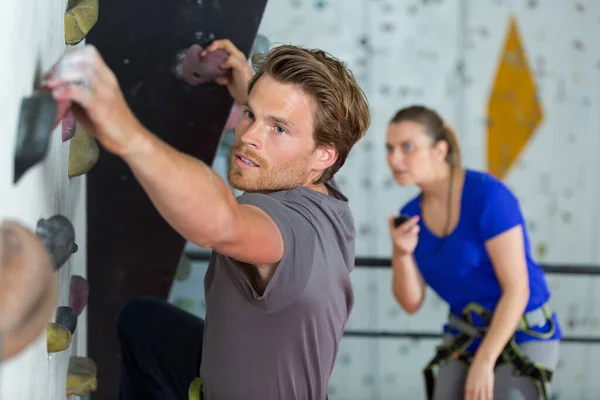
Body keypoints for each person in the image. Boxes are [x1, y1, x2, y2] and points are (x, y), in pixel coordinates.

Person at [45, 39, 370, 400]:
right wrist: (247, 85)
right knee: (144, 324)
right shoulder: (324, 189)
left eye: (278, 129)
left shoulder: (288, 231)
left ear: (324, 155)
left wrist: (124, 132)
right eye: (250, 114)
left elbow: (222, 223)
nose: (249, 137)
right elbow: (284, 121)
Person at [385, 105, 561, 400]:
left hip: (523, 330)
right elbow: (411, 303)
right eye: (389, 148)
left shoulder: (488, 196)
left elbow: (517, 290)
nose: (394, 159)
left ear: (439, 151)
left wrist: (484, 361)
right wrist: (401, 253)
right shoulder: (409, 215)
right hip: (465, 335)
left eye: (408, 147)